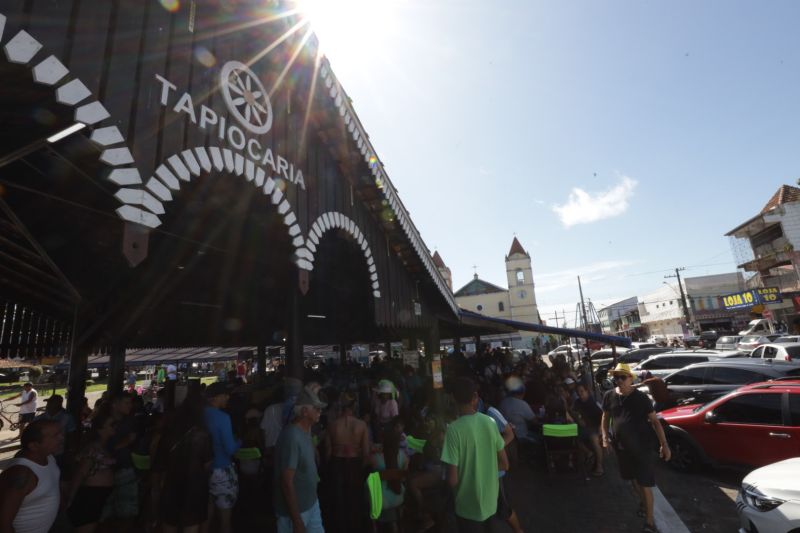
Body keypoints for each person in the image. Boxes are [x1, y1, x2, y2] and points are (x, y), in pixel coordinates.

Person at [601, 363, 671, 533]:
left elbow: (655, 422)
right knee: (632, 479)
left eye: (622, 377)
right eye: (616, 377)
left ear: (631, 378)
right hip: (622, 448)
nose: (619, 380)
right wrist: (604, 437)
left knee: (644, 483)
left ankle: (649, 522)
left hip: (642, 448)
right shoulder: (609, 395)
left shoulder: (641, 398)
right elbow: (605, 417)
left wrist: (664, 445)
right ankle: (642, 503)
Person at [442, 377, 509, 532]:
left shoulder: (453, 430)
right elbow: (505, 464)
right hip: (490, 501)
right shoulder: (490, 422)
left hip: (466, 505)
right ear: (475, 397)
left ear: (452, 398)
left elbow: (452, 480)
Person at [157, 390, 212, 533]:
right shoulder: (202, 435)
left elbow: (159, 466)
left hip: (170, 485)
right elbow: (207, 465)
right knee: (191, 525)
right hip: (194, 488)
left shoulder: (168, 434)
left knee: (169, 523)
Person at [274, 387, 326, 533]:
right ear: (304, 411)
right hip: (296, 512)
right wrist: (297, 520)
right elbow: (286, 482)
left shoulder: (305, 430)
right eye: (316, 409)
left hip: (311, 502)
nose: (319, 412)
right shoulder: (291, 437)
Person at [0, 419, 62, 533]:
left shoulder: (48, 457)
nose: (61, 438)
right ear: (34, 446)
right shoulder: (23, 473)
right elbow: (3, 524)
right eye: (55, 435)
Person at [323, 391, 369, 532]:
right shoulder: (361, 425)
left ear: (340, 407)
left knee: (338, 499)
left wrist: (327, 468)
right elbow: (366, 453)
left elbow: (327, 452)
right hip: (354, 464)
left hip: (337, 463)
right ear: (354, 407)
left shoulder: (332, 425)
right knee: (354, 499)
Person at [65, 413, 116, 533]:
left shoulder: (103, 447)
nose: (115, 427)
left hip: (99, 496)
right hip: (89, 497)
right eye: (112, 425)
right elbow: (80, 473)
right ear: (100, 429)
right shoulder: (92, 449)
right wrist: (70, 498)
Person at [204, 382, 240, 533]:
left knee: (206, 513)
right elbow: (230, 448)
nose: (228, 397)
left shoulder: (199, 414)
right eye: (225, 395)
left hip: (203, 469)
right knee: (225, 519)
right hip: (222, 470)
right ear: (216, 397)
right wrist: (240, 441)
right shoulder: (223, 418)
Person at [34, 394, 77, 467]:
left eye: (51, 403)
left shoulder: (67, 418)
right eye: (48, 403)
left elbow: (71, 435)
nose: (48, 405)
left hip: (58, 453)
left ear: (58, 405)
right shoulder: (39, 418)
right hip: (41, 453)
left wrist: (70, 451)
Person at [573, 383, 604, 477]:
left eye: (582, 391)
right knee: (572, 437)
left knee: (594, 440)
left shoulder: (594, 402)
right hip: (584, 427)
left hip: (596, 427)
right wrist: (579, 419)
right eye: (578, 392)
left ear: (587, 391)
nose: (580, 394)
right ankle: (588, 453)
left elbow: (604, 416)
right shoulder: (577, 402)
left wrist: (600, 430)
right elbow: (575, 412)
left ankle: (599, 466)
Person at [499, 376, 537, 443]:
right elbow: (534, 420)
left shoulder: (503, 402)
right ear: (522, 393)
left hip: (506, 437)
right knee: (540, 439)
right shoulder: (522, 404)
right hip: (521, 437)